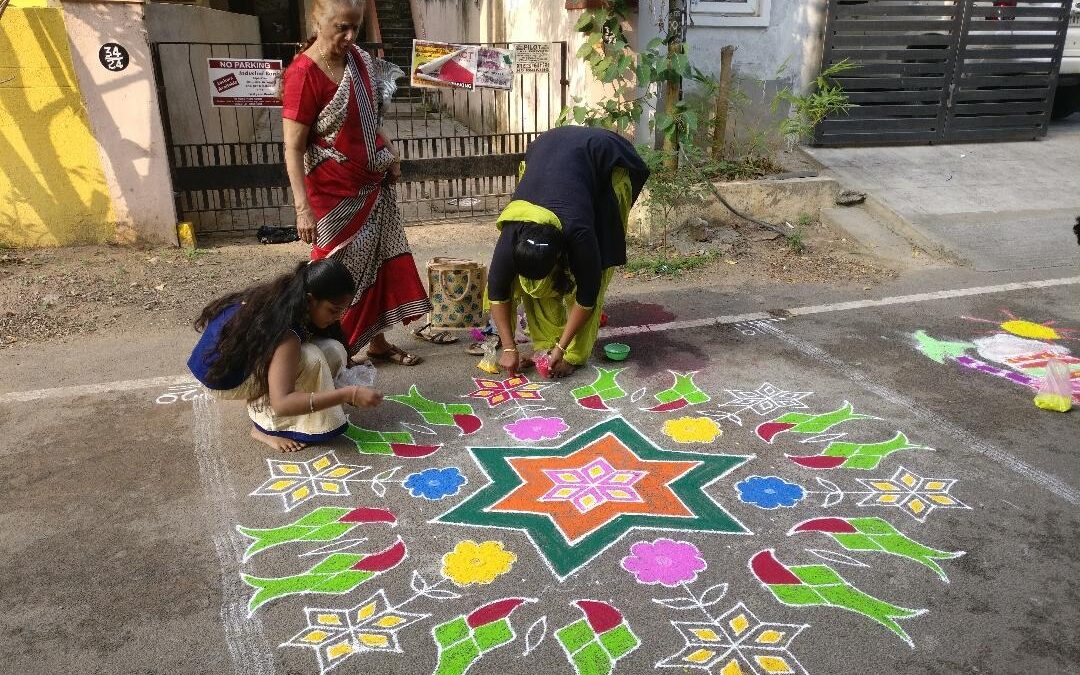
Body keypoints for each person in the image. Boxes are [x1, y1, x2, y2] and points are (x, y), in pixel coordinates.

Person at [282, 0, 451, 368]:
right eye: (341, 27)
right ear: (317, 19)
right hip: (331, 193)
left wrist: (388, 151)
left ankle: (376, 343)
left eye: (355, 28)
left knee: (376, 263)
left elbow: (368, 120)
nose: (349, 36)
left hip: (370, 185)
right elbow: (293, 147)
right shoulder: (303, 74)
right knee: (333, 276)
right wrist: (302, 208)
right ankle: (322, 353)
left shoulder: (357, 60)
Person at [486, 126, 650, 378]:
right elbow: (497, 292)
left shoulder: (580, 235)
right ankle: (546, 344)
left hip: (605, 159)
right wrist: (508, 347)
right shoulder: (512, 233)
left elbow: (588, 296)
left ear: (561, 255)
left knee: (595, 270)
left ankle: (571, 354)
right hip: (549, 150)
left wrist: (564, 350)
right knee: (535, 288)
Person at [188, 259, 381, 453]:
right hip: (224, 380)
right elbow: (282, 403)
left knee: (332, 349)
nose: (337, 317)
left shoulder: (289, 296)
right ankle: (266, 427)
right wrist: (349, 393)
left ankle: (271, 403)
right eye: (333, 310)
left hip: (224, 364)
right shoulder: (287, 332)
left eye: (341, 311)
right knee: (311, 358)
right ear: (310, 299)